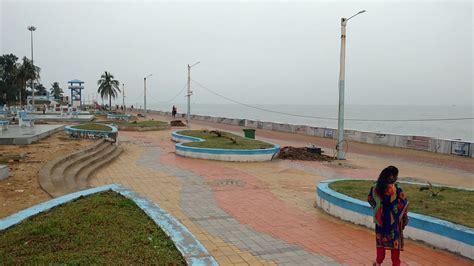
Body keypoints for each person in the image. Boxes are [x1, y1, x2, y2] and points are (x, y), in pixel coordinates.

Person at [368, 166, 408, 266]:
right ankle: (396, 264)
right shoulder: (397, 189)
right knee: (395, 247)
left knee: (380, 244)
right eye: (396, 176)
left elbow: (370, 199)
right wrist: (400, 216)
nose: (397, 178)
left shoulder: (375, 187)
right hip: (393, 223)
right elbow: (403, 203)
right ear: (391, 176)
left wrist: (378, 208)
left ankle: (378, 262)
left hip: (380, 222)